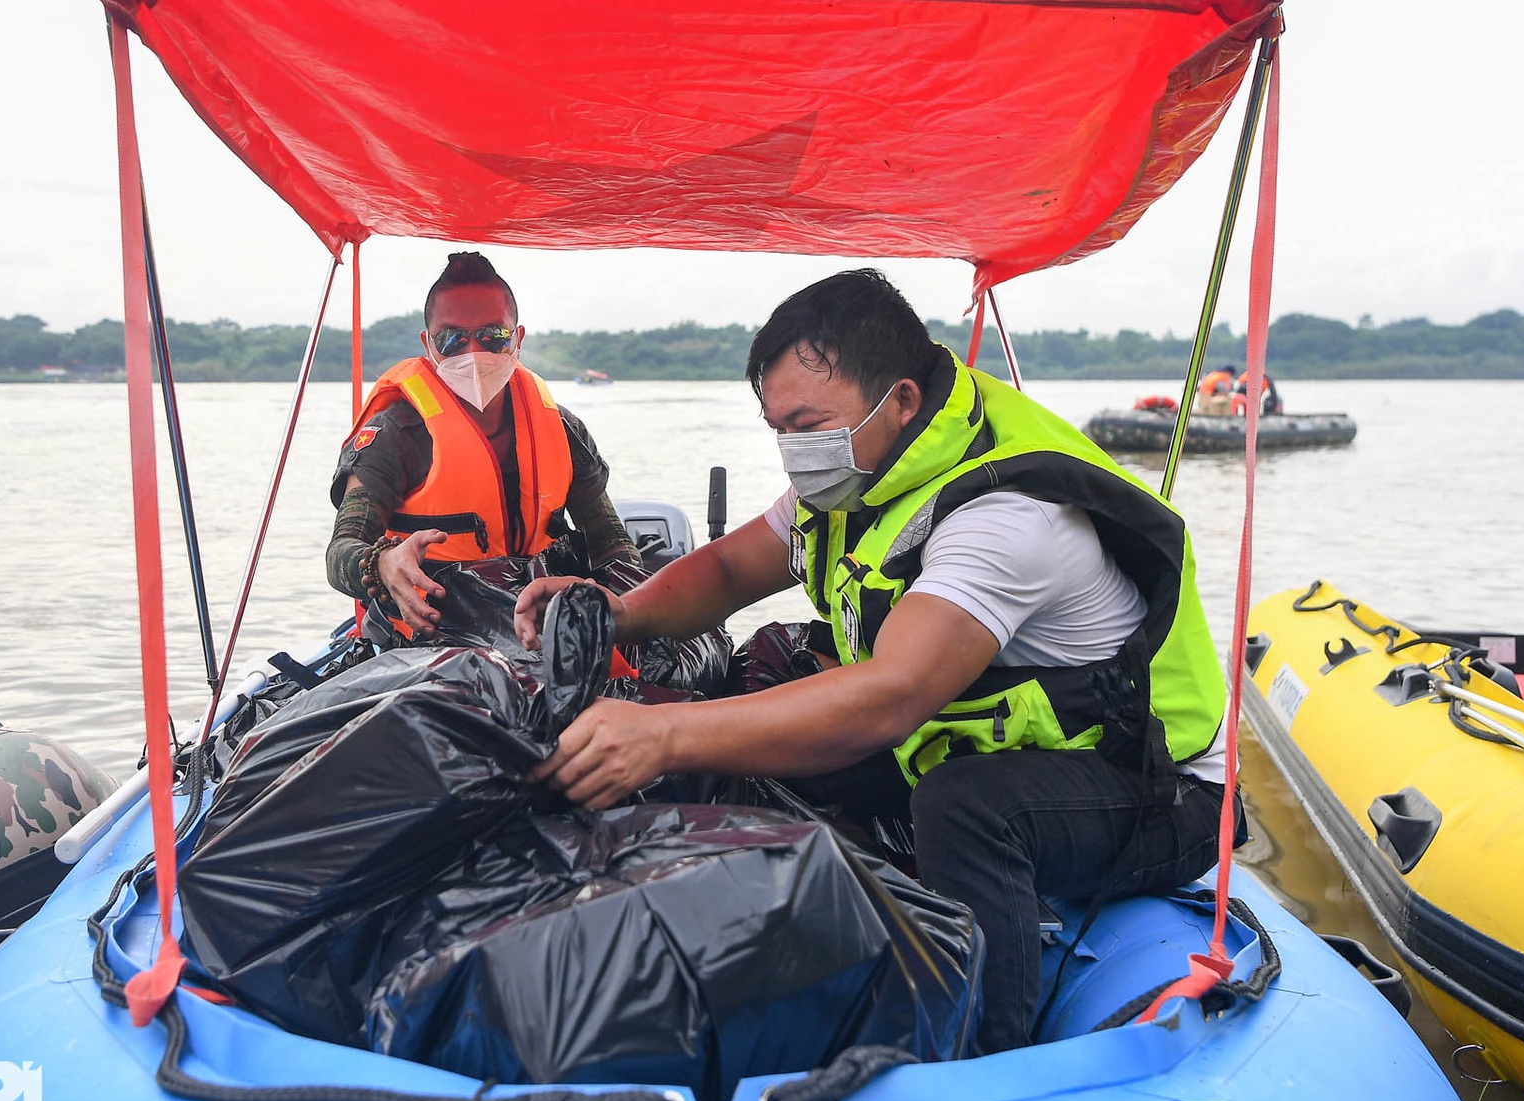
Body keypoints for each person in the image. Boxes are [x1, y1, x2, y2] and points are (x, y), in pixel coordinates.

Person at [512, 269, 1230, 1053]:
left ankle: (986, 1053)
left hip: (1154, 786)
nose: (793, 451)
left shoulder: (1004, 516)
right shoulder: (856, 471)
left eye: (807, 425)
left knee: (966, 809)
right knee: (775, 748)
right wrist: (617, 610)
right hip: (1001, 741)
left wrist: (664, 735)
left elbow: (890, 697)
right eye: (777, 427)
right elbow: (728, 569)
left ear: (902, 401)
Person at [327, 251, 639, 635]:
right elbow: (341, 549)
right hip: (433, 637)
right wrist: (381, 564)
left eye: (493, 336)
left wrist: (630, 610)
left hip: (545, 627)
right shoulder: (394, 434)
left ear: (517, 338)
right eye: (452, 339)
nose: (473, 353)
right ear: (428, 344)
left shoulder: (563, 429)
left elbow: (611, 543)